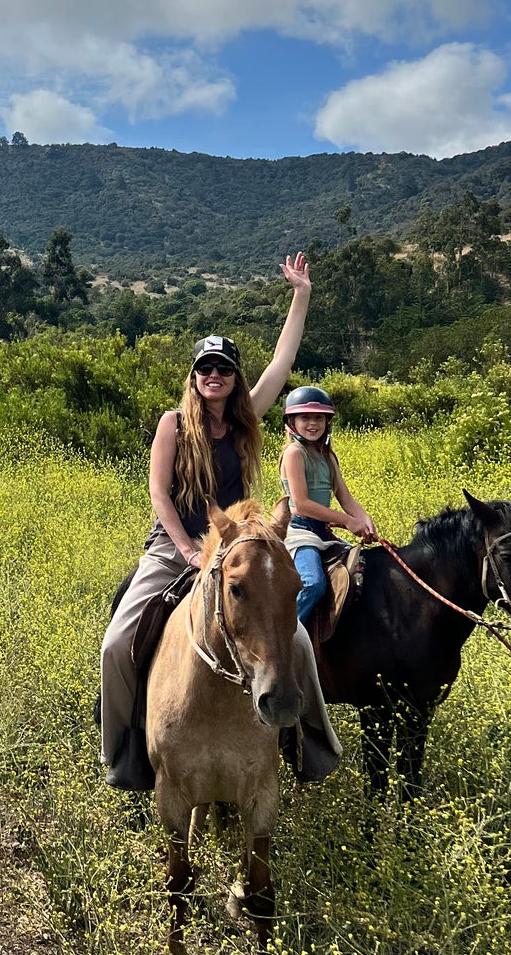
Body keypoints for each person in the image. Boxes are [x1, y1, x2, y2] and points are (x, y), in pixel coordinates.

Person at [98, 256, 343, 789]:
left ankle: (313, 747)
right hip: (175, 547)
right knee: (117, 643)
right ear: (194, 376)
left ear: (234, 379)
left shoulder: (245, 421)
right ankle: (125, 755)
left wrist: (300, 295)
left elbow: (281, 362)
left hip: (241, 547)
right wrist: (188, 550)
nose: (215, 376)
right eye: (205, 369)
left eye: (224, 369)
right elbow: (158, 494)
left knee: (295, 641)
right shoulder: (172, 425)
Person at [280, 385, 376, 625]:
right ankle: (289, 638)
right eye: (305, 418)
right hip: (300, 532)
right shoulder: (294, 453)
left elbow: (345, 496)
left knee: (364, 571)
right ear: (292, 421)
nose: (313, 424)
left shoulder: (327, 455)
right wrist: (347, 521)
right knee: (312, 583)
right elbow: (301, 504)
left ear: (327, 422)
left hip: (324, 532)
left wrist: (365, 520)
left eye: (319, 418)